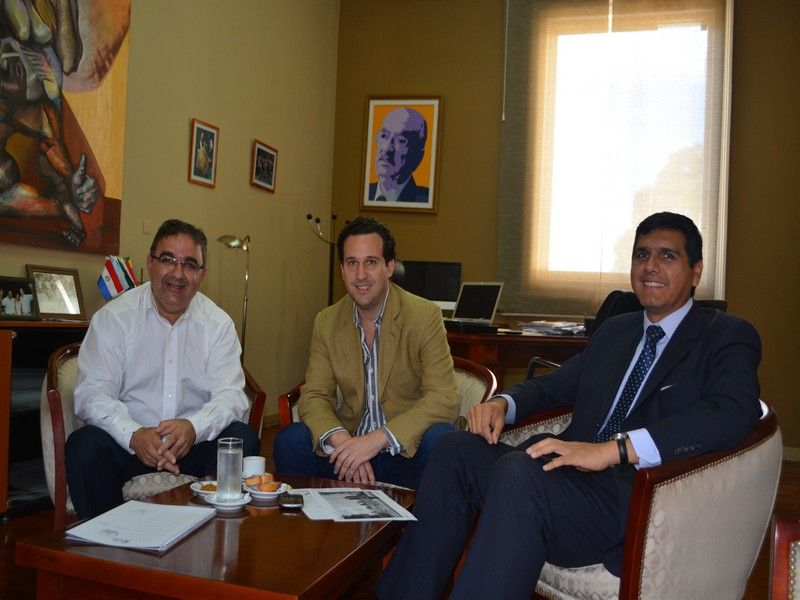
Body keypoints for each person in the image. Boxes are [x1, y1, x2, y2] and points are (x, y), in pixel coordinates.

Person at [377, 212, 762, 599]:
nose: (650, 266)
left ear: (696, 271)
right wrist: (503, 403)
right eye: (642, 254)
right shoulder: (616, 331)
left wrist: (613, 450)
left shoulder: (725, 335)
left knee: (517, 472)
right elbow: (555, 385)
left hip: (628, 499)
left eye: (667, 255)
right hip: (563, 477)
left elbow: (732, 412)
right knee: (454, 449)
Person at [66, 219, 260, 519]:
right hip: (129, 445)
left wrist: (193, 427)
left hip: (193, 445)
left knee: (242, 439)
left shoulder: (218, 324)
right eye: (168, 260)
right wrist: (135, 435)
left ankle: (215, 536)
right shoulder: (114, 318)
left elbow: (231, 396)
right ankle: (106, 541)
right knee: (84, 446)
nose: (177, 274)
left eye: (190, 264)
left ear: (202, 274)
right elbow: (92, 393)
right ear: (150, 263)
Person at [273, 216, 459, 489]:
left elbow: (444, 398)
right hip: (346, 453)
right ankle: (311, 517)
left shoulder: (424, 316)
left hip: (404, 452)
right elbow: (314, 395)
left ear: (389, 267)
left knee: (443, 439)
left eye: (370, 262)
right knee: (290, 441)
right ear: (342, 270)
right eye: (352, 263)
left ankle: (420, 518)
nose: (360, 275)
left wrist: (375, 441)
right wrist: (344, 443)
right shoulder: (326, 321)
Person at [368, 108, 429, 203]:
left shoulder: (426, 200)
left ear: (418, 157)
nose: (387, 148)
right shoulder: (361, 192)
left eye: (401, 140)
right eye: (384, 136)